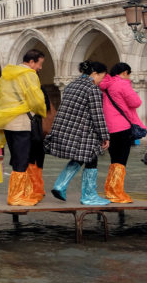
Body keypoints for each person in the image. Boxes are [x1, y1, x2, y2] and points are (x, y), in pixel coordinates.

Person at [0, 49, 48, 206]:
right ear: (32, 62)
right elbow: (36, 99)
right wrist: (42, 112)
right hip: (22, 122)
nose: (40, 68)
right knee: (22, 158)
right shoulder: (29, 75)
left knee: (17, 157)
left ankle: (23, 192)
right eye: (40, 64)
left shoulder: (6, 75)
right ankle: (16, 196)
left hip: (8, 122)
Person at [45, 60, 110, 205]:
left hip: (68, 128)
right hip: (83, 132)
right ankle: (88, 196)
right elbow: (97, 115)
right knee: (91, 159)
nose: (101, 80)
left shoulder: (71, 85)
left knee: (83, 157)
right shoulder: (92, 89)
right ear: (94, 74)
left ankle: (61, 185)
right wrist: (105, 136)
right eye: (102, 77)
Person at [99, 62, 142, 204]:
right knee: (121, 161)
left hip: (108, 128)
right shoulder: (122, 84)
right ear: (124, 72)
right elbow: (136, 102)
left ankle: (110, 190)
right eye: (128, 74)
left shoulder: (105, 86)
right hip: (122, 127)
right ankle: (117, 193)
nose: (129, 77)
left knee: (114, 160)